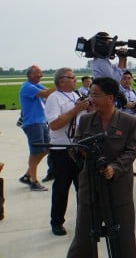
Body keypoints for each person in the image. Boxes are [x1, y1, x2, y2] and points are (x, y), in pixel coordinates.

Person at [67, 77, 136, 258]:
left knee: (124, 242)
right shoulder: (85, 120)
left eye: (95, 95)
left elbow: (131, 152)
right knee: (83, 240)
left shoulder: (129, 122)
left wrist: (114, 168)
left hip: (117, 190)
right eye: (91, 94)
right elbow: (75, 147)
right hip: (90, 189)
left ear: (110, 97)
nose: (91, 99)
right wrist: (81, 152)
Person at [44, 68, 90, 236]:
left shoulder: (76, 95)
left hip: (78, 148)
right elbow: (54, 124)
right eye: (72, 77)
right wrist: (76, 109)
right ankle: (57, 222)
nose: (75, 80)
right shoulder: (53, 98)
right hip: (62, 150)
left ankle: (84, 220)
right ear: (62, 80)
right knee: (62, 188)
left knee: (83, 188)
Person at [18, 65, 56, 191]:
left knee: (46, 149)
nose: (41, 75)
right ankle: (33, 181)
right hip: (33, 123)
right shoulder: (27, 87)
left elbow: (49, 93)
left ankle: (28, 175)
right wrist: (60, 83)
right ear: (30, 75)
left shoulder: (35, 85)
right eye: (38, 73)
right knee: (35, 152)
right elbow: (46, 93)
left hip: (41, 122)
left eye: (41, 73)